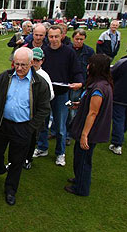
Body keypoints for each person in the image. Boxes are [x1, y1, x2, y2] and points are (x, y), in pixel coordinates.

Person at [0, 47, 51, 205]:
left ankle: (10, 189)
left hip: (23, 127)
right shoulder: (4, 77)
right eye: (17, 64)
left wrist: (31, 128)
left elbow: (44, 109)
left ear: (31, 64)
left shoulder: (40, 84)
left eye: (24, 65)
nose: (20, 68)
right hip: (2, 124)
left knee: (16, 160)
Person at [33, 25, 83, 166]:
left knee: (61, 126)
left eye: (56, 36)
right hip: (44, 95)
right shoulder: (44, 52)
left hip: (62, 95)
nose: (53, 39)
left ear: (62, 36)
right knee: (42, 123)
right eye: (51, 36)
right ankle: (42, 147)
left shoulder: (69, 52)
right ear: (47, 37)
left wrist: (79, 83)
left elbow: (77, 71)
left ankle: (60, 153)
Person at [65, 54, 113, 196]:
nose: (87, 67)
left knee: (83, 159)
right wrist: (81, 104)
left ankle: (81, 188)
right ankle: (79, 179)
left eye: (90, 64)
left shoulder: (98, 88)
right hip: (92, 130)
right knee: (80, 157)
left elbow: (93, 112)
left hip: (90, 132)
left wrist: (85, 135)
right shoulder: (103, 84)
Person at [22, 47, 54, 170]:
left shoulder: (44, 76)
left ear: (42, 61)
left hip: (35, 114)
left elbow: (51, 94)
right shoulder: (24, 72)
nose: (34, 62)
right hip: (22, 112)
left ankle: (27, 159)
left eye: (37, 60)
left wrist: (38, 99)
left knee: (31, 137)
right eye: (33, 60)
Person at [66, 29, 94, 145]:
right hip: (66, 83)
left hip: (79, 85)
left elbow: (91, 70)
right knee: (63, 109)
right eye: (77, 39)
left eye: (81, 39)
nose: (78, 41)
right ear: (73, 38)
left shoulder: (89, 52)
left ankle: (69, 133)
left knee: (73, 111)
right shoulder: (67, 49)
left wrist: (84, 84)